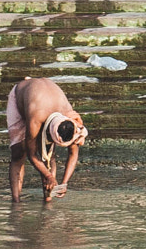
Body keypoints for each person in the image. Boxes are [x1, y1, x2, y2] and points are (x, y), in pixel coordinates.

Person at [6, 75, 87, 203]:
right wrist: (49, 176)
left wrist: (64, 184)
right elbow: (32, 155)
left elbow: (73, 153)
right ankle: (16, 202)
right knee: (18, 152)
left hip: (45, 96)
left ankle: (48, 198)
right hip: (22, 96)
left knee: (49, 154)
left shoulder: (72, 120)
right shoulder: (36, 118)